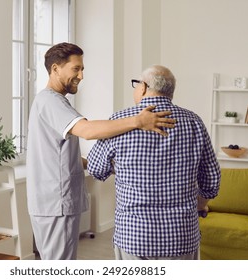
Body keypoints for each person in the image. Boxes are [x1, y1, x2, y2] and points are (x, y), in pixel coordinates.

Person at [26, 43, 176, 260]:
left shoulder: (53, 101)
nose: (81, 75)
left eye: (82, 69)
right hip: (55, 203)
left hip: (52, 201)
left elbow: (55, 153)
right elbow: (87, 131)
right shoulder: (50, 101)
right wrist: (138, 121)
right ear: (56, 68)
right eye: (76, 69)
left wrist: (111, 164)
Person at [87, 65, 221, 260]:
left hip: (134, 236)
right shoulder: (194, 122)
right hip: (181, 236)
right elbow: (212, 180)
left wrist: (125, 166)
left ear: (142, 87)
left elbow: (96, 169)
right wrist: (201, 204)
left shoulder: (119, 121)